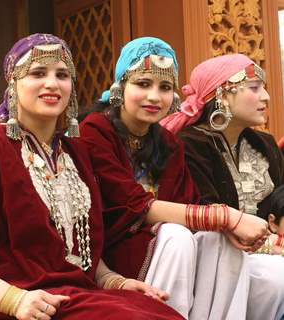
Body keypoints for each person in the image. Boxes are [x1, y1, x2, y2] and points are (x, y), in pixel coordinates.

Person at [0, 33, 184, 320]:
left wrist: (116, 282)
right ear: (13, 83)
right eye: (38, 73)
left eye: (62, 74)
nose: (52, 83)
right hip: (15, 300)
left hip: (76, 294)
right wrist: (14, 299)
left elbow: (78, 250)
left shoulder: (77, 152)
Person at [80, 37, 268, 319]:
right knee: (176, 234)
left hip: (166, 251)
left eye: (165, 87)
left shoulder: (169, 142)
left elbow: (186, 202)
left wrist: (225, 227)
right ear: (120, 86)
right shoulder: (95, 130)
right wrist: (227, 217)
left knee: (219, 242)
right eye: (143, 84)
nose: (155, 96)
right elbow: (132, 206)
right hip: (113, 251)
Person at [161, 53, 284, 320]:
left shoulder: (265, 145)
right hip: (215, 259)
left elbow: (280, 204)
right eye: (254, 88)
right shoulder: (189, 144)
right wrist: (272, 246)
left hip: (271, 252)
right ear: (222, 95)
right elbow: (207, 216)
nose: (266, 97)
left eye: (264, 88)